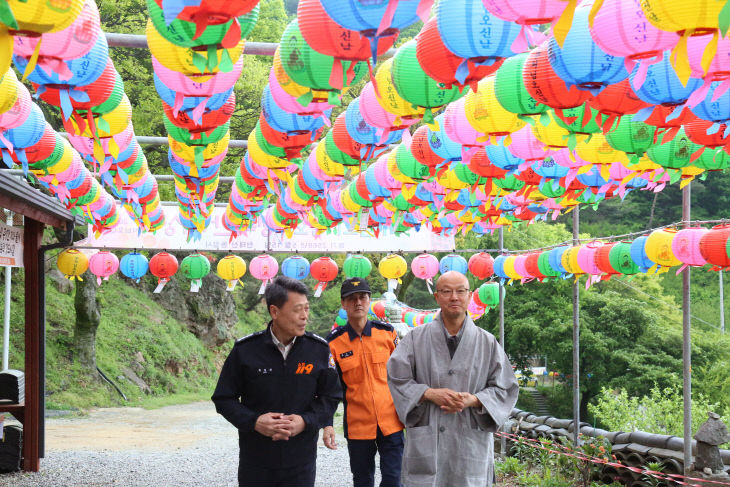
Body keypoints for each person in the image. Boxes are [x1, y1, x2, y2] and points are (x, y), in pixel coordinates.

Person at [386, 270, 519, 487]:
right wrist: (427, 393)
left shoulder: (487, 342)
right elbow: (396, 377)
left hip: (469, 439)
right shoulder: (415, 338)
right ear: (437, 297)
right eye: (446, 291)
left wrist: (474, 400)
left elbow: (506, 387)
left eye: (460, 291)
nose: (454, 297)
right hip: (427, 439)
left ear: (469, 296)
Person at [212, 275, 342, 487]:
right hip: (256, 461)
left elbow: (331, 395)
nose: (304, 317)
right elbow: (224, 398)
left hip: (300, 462)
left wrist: (306, 421)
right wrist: (254, 421)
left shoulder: (318, 349)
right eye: (297, 309)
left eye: (307, 309)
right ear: (275, 311)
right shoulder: (246, 350)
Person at [324, 277, 405, 487]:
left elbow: (404, 375)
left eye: (362, 297)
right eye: (351, 299)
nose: (357, 302)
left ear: (369, 300)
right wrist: (327, 423)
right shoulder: (333, 343)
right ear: (343, 304)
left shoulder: (388, 333)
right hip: (358, 425)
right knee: (362, 481)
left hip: (392, 422)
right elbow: (329, 388)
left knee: (394, 481)